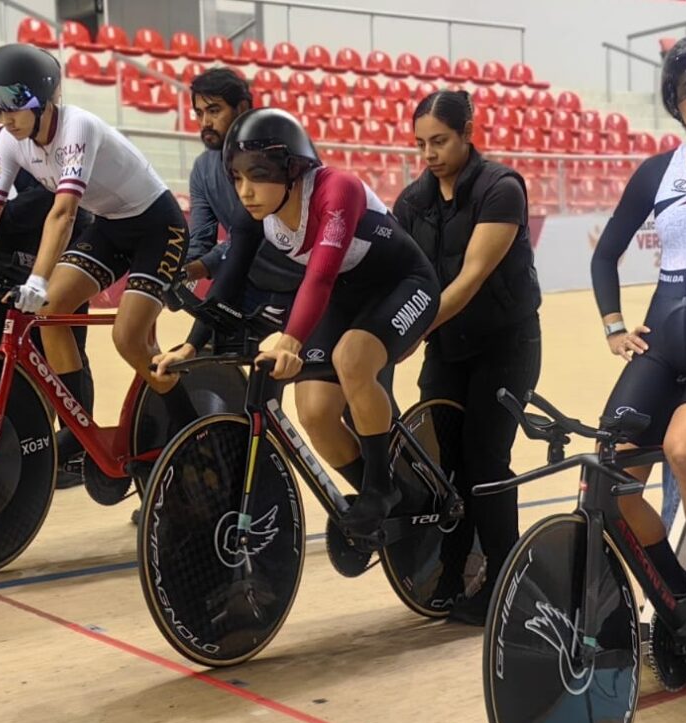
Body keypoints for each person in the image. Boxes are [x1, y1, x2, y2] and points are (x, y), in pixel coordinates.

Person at [155, 108, 440, 537]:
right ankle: (391, 498)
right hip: (348, 295)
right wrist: (193, 344)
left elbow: (320, 276)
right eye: (237, 177)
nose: (246, 191)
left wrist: (290, 339)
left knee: (352, 357)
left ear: (292, 170)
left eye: (258, 175)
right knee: (315, 413)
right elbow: (230, 277)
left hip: (404, 284)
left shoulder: (335, 189)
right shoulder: (255, 211)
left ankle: (382, 487)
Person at [0, 43, 196, 450]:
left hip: (158, 226)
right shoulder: (8, 141)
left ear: (45, 99)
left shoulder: (77, 128)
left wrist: (37, 279)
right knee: (51, 311)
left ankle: (187, 422)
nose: (5, 118)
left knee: (127, 338)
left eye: (14, 104)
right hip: (110, 227)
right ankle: (78, 429)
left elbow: (64, 214)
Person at [590, 34, 686, 653]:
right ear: (675, 103)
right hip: (661, 341)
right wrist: (612, 325)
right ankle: (675, 595)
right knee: (610, 472)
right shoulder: (656, 173)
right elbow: (606, 256)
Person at [393, 90, 542, 626]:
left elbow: (468, 282)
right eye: (420, 144)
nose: (429, 153)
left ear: (467, 132)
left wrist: (400, 335)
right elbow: (396, 277)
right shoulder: (412, 201)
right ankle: (451, 574)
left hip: (507, 345)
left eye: (440, 141)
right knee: (441, 469)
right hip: (448, 348)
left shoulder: (501, 188)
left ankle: (506, 583)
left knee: (484, 463)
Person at [0, 126, 96, 489]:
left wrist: (0, 217)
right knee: (13, 344)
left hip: (63, 241)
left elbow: (55, 201)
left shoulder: (66, 140)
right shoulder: (1, 141)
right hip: (11, 246)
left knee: (66, 344)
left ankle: (78, 449)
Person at [183, 67, 261, 283]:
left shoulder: (268, 157)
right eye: (199, 113)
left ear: (242, 108)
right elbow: (200, 239)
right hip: (241, 272)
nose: (205, 122)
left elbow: (258, 234)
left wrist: (196, 269)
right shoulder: (202, 168)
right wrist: (180, 270)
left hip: (288, 273)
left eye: (214, 111)